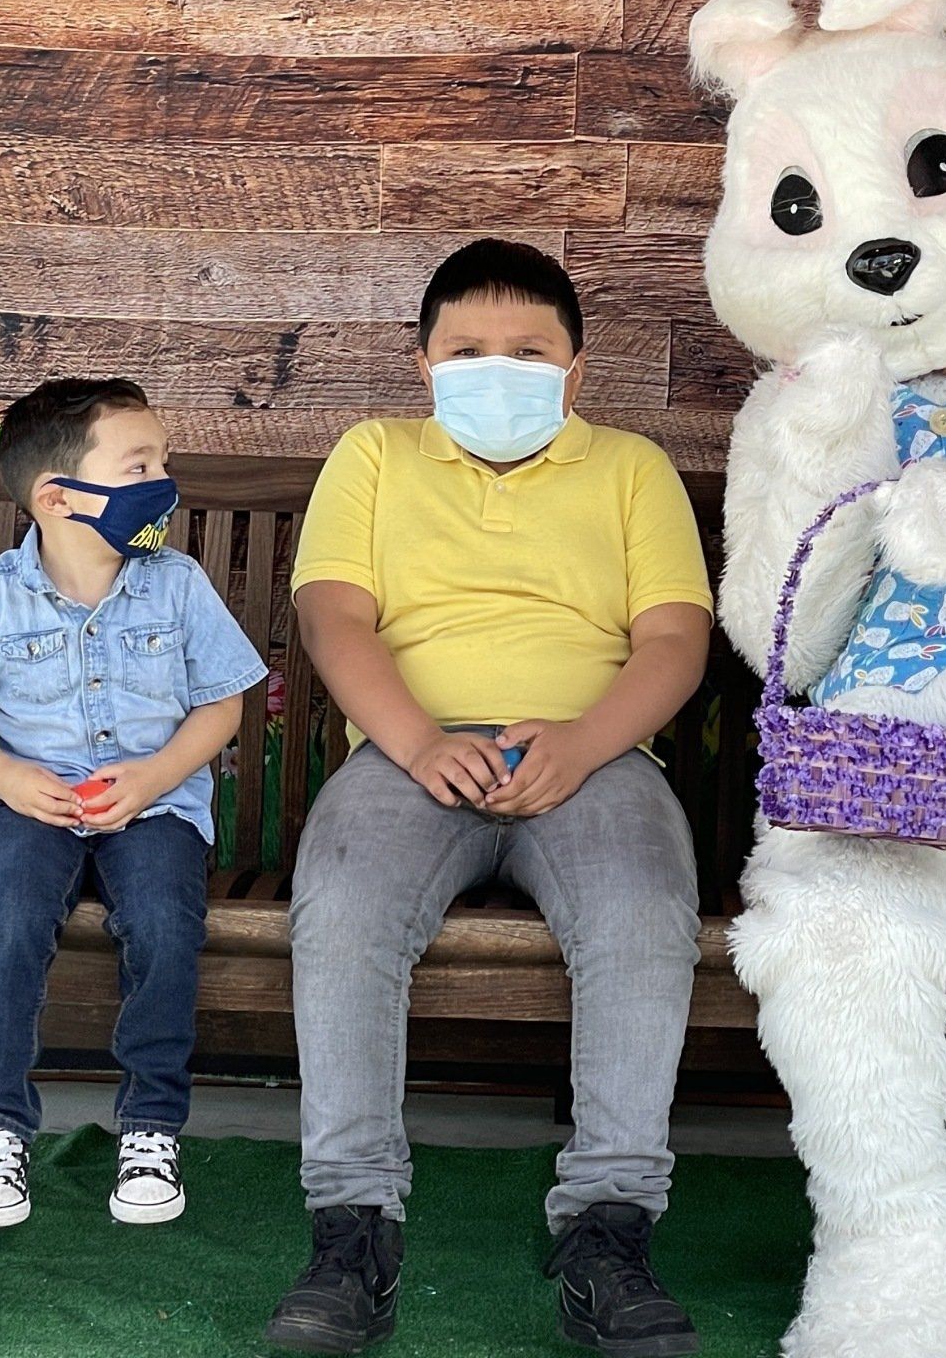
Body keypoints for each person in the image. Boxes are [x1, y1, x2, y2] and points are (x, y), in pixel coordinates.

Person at [265, 240, 714, 1357]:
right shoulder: (372, 455)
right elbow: (335, 617)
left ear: (575, 366)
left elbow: (674, 635)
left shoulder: (631, 468)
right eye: (468, 350)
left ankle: (608, 1227)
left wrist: (586, 739)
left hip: (596, 758)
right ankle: (352, 1226)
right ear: (423, 362)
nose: (497, 368)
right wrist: (415, 740)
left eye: (529, 351)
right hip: (413, 758)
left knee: (640, 915)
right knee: (345, 905)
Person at [0, 377, 265, 1230]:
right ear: (58, 496)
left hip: (152, 809)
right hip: (32, 808)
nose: (162, 483)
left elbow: (222, 701)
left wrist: (152, 779)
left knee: (162, 921)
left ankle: (150, 1123)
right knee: (9, 919)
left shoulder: (176, 584)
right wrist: (4, 777)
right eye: (139, 465)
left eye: (163, 462)